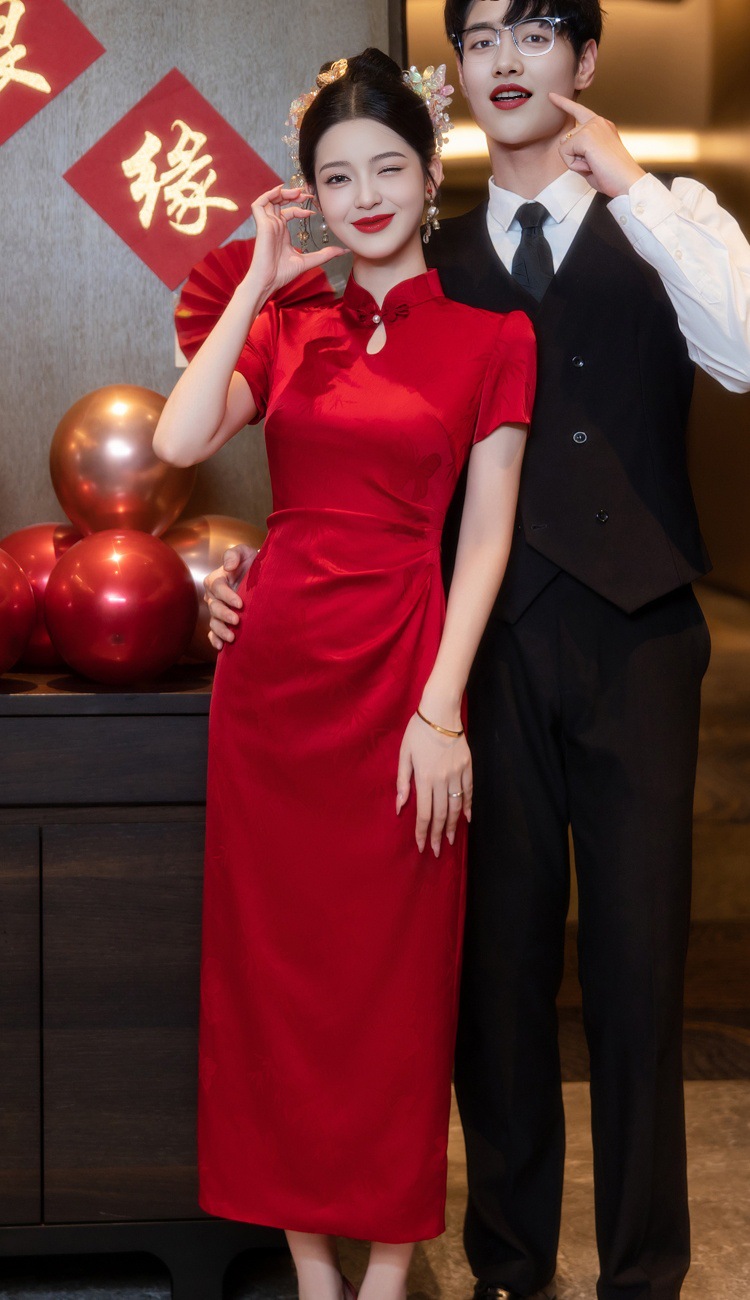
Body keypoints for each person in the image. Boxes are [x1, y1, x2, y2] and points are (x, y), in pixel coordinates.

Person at [206, 5, 750, 1300]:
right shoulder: (416, 249)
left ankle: (642, 1275)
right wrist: (255, 574)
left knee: (637, 968)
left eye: (537, 32)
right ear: (459, 68)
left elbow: (739, 352)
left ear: (585, 62)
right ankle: (507, 1265)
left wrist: (634, 187)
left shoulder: (663, 215)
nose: (507, 58)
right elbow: (334, 440)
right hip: (470, 650)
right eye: (484, 35)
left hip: (636, 638)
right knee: (493, 971)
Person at [154, 47, 536, 1300]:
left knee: (395, 988)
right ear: (309, 193)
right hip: (273, 691)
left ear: (430, 177)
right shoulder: (287, 324)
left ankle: (383, 1276)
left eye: (387, 169)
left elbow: (485, 541)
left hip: (403, 681)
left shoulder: (493, 337)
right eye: (335, 177)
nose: (365, 196)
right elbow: (176, 437)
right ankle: (314, 1275)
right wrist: (263, 280)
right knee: (275, 981)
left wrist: (442, 707)